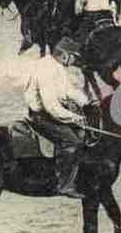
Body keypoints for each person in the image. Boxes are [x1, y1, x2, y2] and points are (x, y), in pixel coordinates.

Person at [24, 39, 94, 198]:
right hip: (42, 116)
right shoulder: (46, 69)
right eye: (73, 57)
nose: (75, 61)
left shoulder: (58, 67)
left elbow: (68, 89)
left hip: (53, 112)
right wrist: (73, 117)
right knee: (72, 142)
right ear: (64, 56)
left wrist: (87, 102)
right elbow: (51, 106)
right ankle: (64, 184)